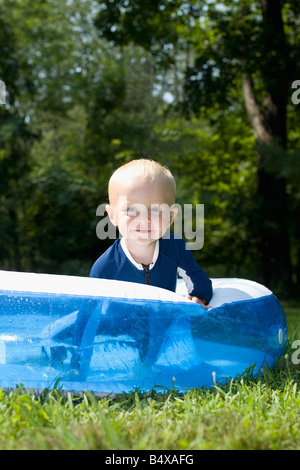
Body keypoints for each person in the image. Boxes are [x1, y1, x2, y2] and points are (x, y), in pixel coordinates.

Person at [90, 158, 212, 307]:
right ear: (113, 215)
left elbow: (199, 280)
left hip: (163, 320)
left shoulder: (175, 248)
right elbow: (91, 309)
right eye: (131, 209)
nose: (144, 219)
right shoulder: (106, 266)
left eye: (155, 210)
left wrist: (198, 297)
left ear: (170, 217)